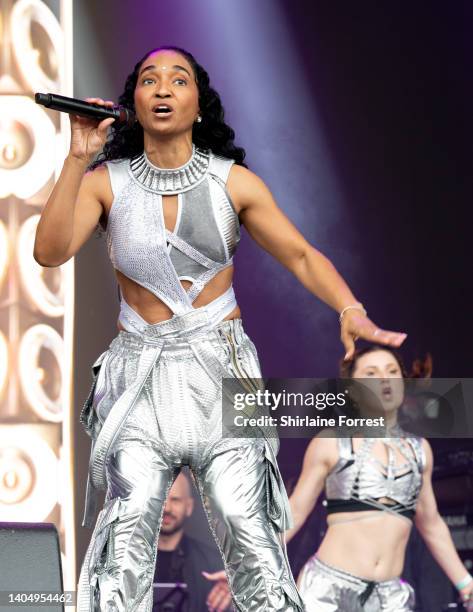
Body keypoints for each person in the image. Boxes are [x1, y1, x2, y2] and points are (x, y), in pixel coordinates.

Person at [33, 45, 407, 611]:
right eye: (149, 80)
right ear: (131, 103)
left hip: (223, 368)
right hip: (139, 375)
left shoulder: (234, 183)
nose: (162, 88)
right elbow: (49, 252)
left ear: (198, 105)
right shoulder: (104, 182)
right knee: (128, 525)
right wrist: (77, 154)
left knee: (247, 524)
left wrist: (349, 308)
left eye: (177, 80)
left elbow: (303, 256)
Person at [286, 345, 473, 611]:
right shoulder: (331, 442)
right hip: (328, 592)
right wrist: (249, 563)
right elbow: (294, 510)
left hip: (389, 598)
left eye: (392, 371)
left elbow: (431, 524)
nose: (384, 378)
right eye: (371, 373)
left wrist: (467, 585)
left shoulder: (420, 450)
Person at [153, 471, 231, 612]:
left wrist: (235, 596)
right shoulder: (127, 560)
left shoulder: (214, 562)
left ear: (189, 507)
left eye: (175, 500)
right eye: (161, 499)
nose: (167, 508)